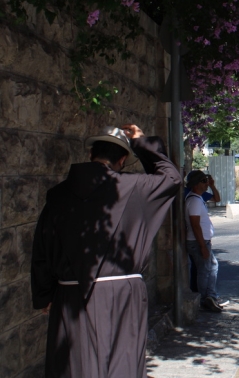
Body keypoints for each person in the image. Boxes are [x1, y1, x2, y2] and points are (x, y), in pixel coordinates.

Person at [31, 125, 181, 377]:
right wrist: (142, 143)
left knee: (75, 365)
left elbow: (43, 245)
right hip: (122, 293)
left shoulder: (57, 195)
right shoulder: (136, 187)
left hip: (70, 294)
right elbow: (172, 177)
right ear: (122, 160)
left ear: (91, 155)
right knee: (121, 362)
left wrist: (44, 294)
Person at [185, 170, 225, 312]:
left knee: (210, 267)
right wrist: (202, 246)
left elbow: (217, 199)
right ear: (196, 184)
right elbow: (195, 225)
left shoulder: (198, 198)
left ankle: (210, 296)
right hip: (198, 242)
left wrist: (212, 185)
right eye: (204, 181)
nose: (206, 183)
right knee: (205, 270)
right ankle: (205, 299)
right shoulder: (194, 201)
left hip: (202, 241)